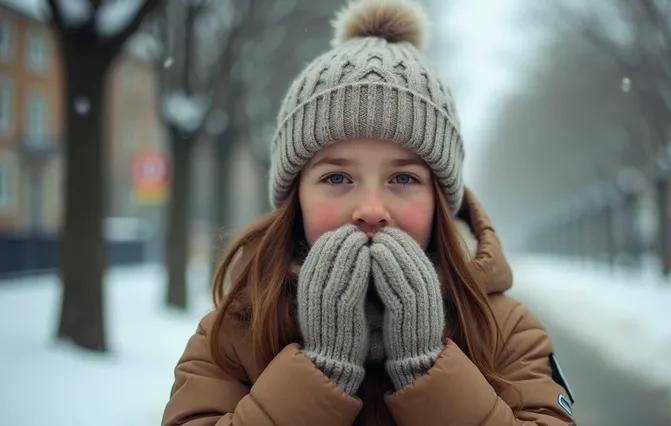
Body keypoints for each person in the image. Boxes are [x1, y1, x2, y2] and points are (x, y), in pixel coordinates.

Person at [161, 0, 576, 425]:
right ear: (295, 198)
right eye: (338, 179)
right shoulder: (233, 332)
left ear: (439, 200)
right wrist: (321, 372)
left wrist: (427, 369)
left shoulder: (506, 329)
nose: (372, 210)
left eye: (403, 179)